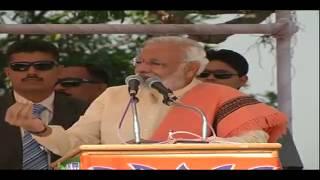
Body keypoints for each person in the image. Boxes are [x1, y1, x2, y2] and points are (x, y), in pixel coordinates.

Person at [5, 36, 287, 160]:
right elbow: (78, 143)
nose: (142, 69)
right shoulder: (116, 95)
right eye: (139, 61)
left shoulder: (217, 96)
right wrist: (40, 130)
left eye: (155, 64)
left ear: (190, 68)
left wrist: (176, 149)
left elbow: (251, 143)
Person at [198, 48, 303, 169]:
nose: (210, 78)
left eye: (222, 75)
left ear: (242, 80)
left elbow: (290, 165)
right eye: (203, 74)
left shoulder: (262, 117)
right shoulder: (181, 110)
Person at [0, 39, 89, 169]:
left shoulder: (84, 110)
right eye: (20, 67)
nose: (31, 72)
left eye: (42, 66)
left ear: (59, 71)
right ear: (8, 72)